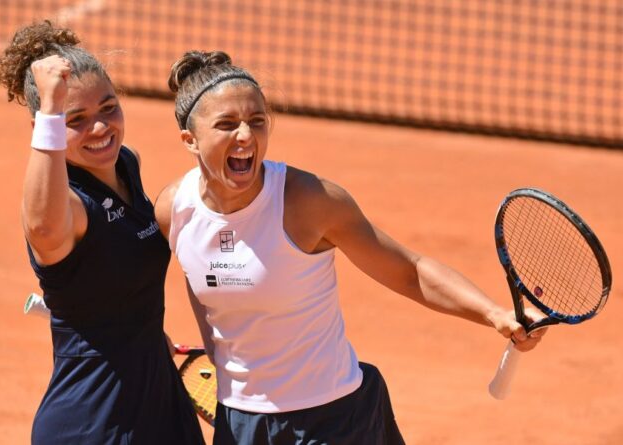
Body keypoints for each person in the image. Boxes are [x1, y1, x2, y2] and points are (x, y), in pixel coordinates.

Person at [154, 50, 546, 445]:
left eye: (257, 121)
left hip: (334, 418)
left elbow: (410, 271)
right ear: (190, 140)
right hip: (241, 420)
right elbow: (187, 276)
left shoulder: (308, 201)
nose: (246, 135)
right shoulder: (175, 210)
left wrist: (494, 314)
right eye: (226, 124)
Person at [0, 21, 204, 444]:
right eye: (75, 119)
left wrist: (143, 332)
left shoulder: (127, 164)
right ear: (46, 127)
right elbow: (41, 225)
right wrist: (51, 109)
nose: (99, 128)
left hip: (160, 401)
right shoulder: (66, 207)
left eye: (108, 108)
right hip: (95, 419)